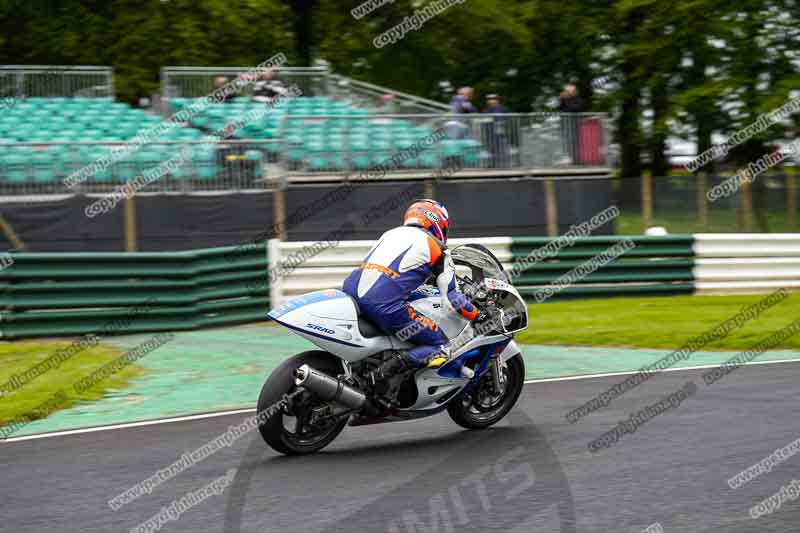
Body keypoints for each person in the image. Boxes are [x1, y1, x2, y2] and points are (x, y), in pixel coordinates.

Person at [342, 199, 480, 378]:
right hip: (383, 305)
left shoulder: (390, 234)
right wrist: (478, 315)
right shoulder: (438, 248)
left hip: (350, 292)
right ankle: (380, 375)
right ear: (438, 223)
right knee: (441, 346)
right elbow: (452, 299)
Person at [557, 84, 583, 163]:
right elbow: (560, 109)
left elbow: (575, 109)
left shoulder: (578, 99)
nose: (566, 93)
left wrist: (566, 103)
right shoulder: (565, 100)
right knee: (565, 141)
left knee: (574, 142)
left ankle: (575, 159)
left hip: (575, 125)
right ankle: (567, 158)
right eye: (566, 91)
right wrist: (561, 99)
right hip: (565, 124)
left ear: (573, 91)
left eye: (568, 91)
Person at [482, 94, 511, 167]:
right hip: (489, 133)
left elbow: (509, 119)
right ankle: (492, 165)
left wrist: (503, 123)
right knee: (491, 150)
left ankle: (503, 165)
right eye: (489, 99)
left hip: (501, 133)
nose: (490, 100)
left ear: (497, 100)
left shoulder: (503, 109)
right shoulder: (485, 110)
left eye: (493, 99)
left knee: (502, 148)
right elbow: (483, 120)